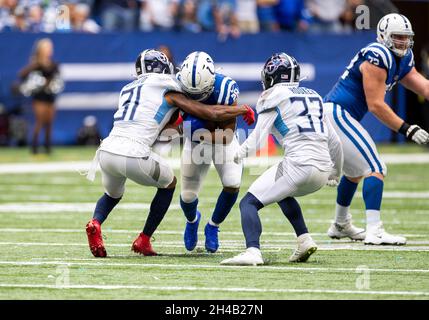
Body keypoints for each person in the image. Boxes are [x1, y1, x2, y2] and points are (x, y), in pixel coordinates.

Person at [85, 49, 255, 258]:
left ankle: (95, 222)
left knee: (112, 194)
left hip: (106, 150)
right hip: (135, 152)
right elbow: (208, 113)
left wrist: (185, 129)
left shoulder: (128, 88)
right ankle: (144, 239)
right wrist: (242, 109)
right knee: (171, 185)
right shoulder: (171, 87)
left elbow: (161, 121)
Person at [221, 53, 343, 265]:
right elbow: (336, 143)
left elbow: (258, 137)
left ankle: (253, 251)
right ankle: (304, 240)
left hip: (299, 166)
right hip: (322, 171)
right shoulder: (313, 95)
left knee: (248, 203)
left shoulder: (273, 96)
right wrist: (336, 173)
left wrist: (237, 154)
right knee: (282, 192)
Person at [324, 13, 429, 245]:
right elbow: (376, 105)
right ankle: (375, 230)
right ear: (383, 36)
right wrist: (408, 129)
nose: (402, 42)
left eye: (405, 37)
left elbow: (424, 87)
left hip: (340, 115)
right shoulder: (378, 54)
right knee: (375, 166)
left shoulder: (404, 58)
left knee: (354, 172)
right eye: (397, 37)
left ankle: (340, 224)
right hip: (336, 113)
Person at [176, 51, 242, 253]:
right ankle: (192, 220)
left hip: (220, 140)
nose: (196, 98)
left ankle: (213, 226)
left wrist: (198, 133)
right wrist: (181, 128)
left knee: (232, 183)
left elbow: (228, 135)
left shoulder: (225, 88)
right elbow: (173, 125)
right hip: (195, 143)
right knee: (187, 196)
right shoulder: (177, 85)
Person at [18, 38, 63, 154]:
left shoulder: (54, 64)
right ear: (41, 50)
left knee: (49, 122)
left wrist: (52, 84)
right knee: (40, 121)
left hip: (50, 97)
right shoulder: (35, 64)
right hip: (40, 97)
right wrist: (39, 82)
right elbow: (22, 75)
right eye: (47, 48)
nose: (49, 50)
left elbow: (58, 78)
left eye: (50, 48)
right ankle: (34, 147)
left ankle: (48, 147)